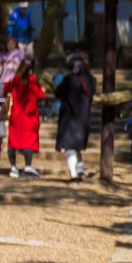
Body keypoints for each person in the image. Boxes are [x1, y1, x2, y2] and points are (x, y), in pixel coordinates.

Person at [54, 52, 95, 181]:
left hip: (69, 118)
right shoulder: (91, 81)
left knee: (70, 147)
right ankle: (80, 171)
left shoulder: (69, 79)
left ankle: (74, 174)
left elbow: (58, 93)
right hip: (84, 118)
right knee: (76, 147)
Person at [5, 56, 43, 179]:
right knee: (28, 143)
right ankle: (27, 166)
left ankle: (13, 167)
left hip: (16, 117)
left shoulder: (14, 81)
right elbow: (41, 95)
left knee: (13, 142)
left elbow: (5, 91)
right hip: (29, 118)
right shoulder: (32, 81)